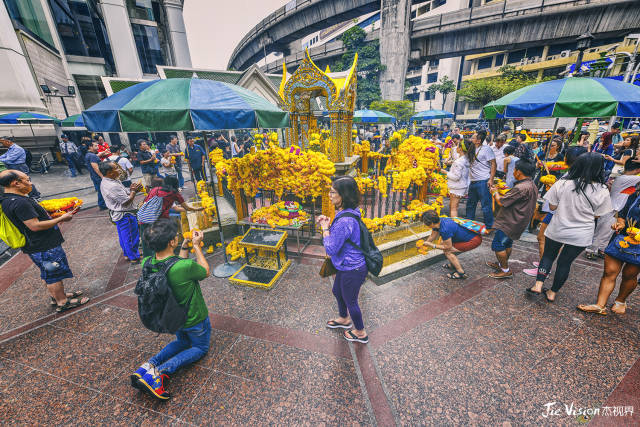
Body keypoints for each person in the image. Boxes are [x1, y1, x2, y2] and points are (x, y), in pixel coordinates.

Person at [131, 219, 211, 401]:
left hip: (171, 317)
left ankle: (147, 366)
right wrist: (197, 247)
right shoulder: (186, 267)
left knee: (182, 341)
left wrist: (184, 246)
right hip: (194, 317)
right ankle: (159, 372)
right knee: (200, 346)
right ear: (171, 242)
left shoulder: (147, 262)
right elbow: (205, 271)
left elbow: (173, 265)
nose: (177, 237)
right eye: (176, 236)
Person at [527, 153, 612, 301]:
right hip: (581, 234)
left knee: (548, 256)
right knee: (565, 263)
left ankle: (538, 285)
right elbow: (598, 215)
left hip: (558, 228)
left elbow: (552, 207)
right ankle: (552, 293)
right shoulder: (602, 190)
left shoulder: (563, 183)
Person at [0, 169, 89, 311]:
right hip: (43, 244)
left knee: (47, 272)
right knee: (54, 273)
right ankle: (63, 302)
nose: (30, 182)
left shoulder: (7, 199)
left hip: (35, 245)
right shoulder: (20, 202)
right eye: (27, 180)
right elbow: (34, 226)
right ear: (15, 183)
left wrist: (51, 217)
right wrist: (62, 218)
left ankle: (57, 296)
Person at [316, 176, 369, 344]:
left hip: (352, 268)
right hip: (346, 265)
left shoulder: (344, 220)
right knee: (337, 292)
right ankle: (344, 319)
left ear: (343, 195)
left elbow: (331, 248)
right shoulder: (351, 212)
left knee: (351, 301)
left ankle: (360, 332)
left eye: (333, 192)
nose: (329, 195)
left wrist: (325, 229)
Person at [523, 146, 588, 277]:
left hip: (556, 213)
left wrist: (554, 187)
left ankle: (543, 269)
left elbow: (554, 205)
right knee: (548, 242)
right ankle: (544, 264)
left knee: (542, 239)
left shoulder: (570, 177)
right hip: (569, 217)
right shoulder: (582, 175)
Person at [578, 183, 640, 315]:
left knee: (629, 275)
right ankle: (600, 305)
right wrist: (620, 223)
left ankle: (620, 300)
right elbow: (623, 213)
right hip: (622, 238)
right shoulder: (636, 194)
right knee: (609, 272)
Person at [486, 160, 538, 279]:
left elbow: (501, 201)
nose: (513, 172)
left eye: (514, 169)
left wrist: (495, 192)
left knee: (498, 245)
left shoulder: (521, 187)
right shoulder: (531, 184)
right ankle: (501, 264)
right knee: (507, 243)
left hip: (511, 221)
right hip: (519, 220)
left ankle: (505, 269)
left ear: (519, 172)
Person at [585, 159, 640, 260]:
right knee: (602, 231)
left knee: (608, 232)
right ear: (637, 170)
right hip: (611, 208)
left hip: (615, 209)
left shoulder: (624, 178)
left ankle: (601, 249)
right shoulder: (628, 178)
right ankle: (591, 250)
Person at [140, 176, 203, 257]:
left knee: (147, 243)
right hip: (159, 222)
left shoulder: (155, 190)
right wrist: (199, 208)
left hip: (144, 219)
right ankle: (165, 258)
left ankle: (148, 261)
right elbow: (187, 208)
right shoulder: (175, 194)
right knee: (160, 242)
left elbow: (145, 203)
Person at [99, 161, 143, 263]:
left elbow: (123, 192)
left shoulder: (111, 180)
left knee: (124, 236)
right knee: (131, 236)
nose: (119, 170)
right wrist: (133, 192)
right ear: (109, 172)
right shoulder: (112, 185)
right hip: (124, 214)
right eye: (116, 168)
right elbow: (126, 202)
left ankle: (129, 254)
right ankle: (134, 257)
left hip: (119, 214)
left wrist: (131, 189)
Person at [421, 209, 482, 280]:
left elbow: (448, 246)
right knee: (442, 245)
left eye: (425, 223)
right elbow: (433, 236)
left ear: (431, 223)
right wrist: (425, 243)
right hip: (470, 236)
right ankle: (453, 265)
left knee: (448, 251)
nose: (425, 225)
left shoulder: (445, 229)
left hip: (473, 240)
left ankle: (460, 272)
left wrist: (432, 245)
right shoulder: (439, 221)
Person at [465, 130, 496, 229]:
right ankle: (469, 224)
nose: (471, 139)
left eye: (473, 138)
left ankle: (489, 226)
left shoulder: (487, 149)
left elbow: (493, 164)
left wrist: (491, 179)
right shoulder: (471, 148)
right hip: (473, 181)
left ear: (478, 141)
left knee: (485, 205)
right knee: (470, 204)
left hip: (483, 180)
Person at [446, 140, 470, 218]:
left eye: (458, 146)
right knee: (452, 206)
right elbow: (456, 158)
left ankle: (454, 227)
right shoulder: (466, 158)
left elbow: (456, 177)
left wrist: (445, 172)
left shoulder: (459, 162)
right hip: (461, 186)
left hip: (457, 187)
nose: (456, 147)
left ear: (460, 149)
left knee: (453, 209)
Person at [85, 141, 107, 210]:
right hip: (97, 176)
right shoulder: (92, 156)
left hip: (94, 176)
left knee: (101, 190)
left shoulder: (89, 154)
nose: (97, 147)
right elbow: (95, 167)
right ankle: (102, 205)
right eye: (95, 146)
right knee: (101, 190)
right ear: (90, 147)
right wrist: (102, 176)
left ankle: (102, 204)